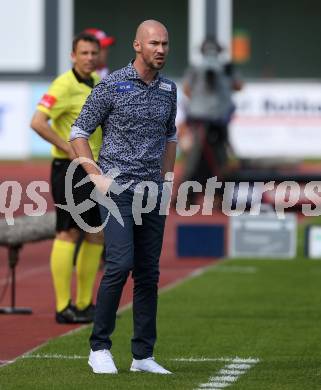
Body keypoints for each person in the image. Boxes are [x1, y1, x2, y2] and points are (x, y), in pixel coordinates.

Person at [70, 20, 177, 374]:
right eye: (154, 43)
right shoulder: (111, 85)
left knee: (149, 274)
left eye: (164, 43)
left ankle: (143, 355)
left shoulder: (168, 90)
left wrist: (166, 181)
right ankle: (99, 347)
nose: (160, 49)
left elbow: (170, 137)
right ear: (137, 46)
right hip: (115, 189)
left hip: (153, 192)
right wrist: (95, 177)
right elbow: (78, 132)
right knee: (120, 265)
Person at [30, 32, 104, 324]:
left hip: (93, 169)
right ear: (73, 55)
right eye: (83, 53)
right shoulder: (63, 84)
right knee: (68, 232)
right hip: (69, 170)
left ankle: (85, 304)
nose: (89, 58)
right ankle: (63, 307)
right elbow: (37, 122)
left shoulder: (98, 83)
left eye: (92, 53)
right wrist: (68, 149)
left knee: (96, 234)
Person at [181, 37, 242, 207]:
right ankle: (214, 197)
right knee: (216, 157)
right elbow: (238, 86)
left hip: (203, 118)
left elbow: (187, 89)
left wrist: (199, 102)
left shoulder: (196, 69)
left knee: (200, 157)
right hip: (214, 118)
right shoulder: (225, 68)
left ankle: (191, 197)